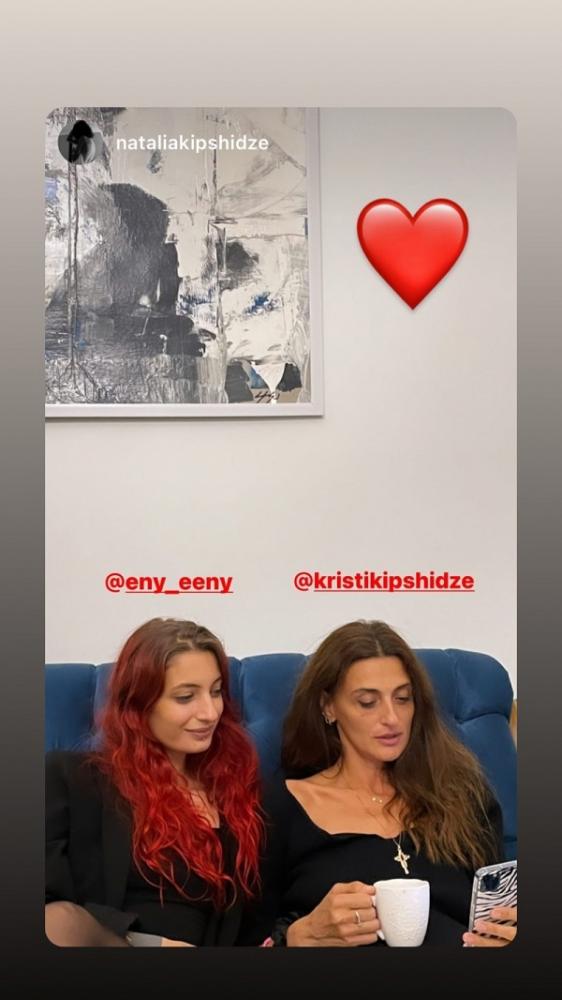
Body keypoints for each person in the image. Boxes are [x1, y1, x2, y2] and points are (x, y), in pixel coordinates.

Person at [247, 620, 517, 948]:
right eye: (367, 702)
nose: (392, 718)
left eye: (403, 698)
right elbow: (246, 938)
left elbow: (498, 911)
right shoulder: (281, 808)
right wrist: (296, 937)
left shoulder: (462, 795)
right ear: (328, 706)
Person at [45, 618, 264, 946]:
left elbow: (255, 920)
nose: (210, 712)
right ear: (139, 704)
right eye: (186, 697)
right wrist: (154, 945)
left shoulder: (237, 793)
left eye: (216, 692)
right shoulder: (72, 778)